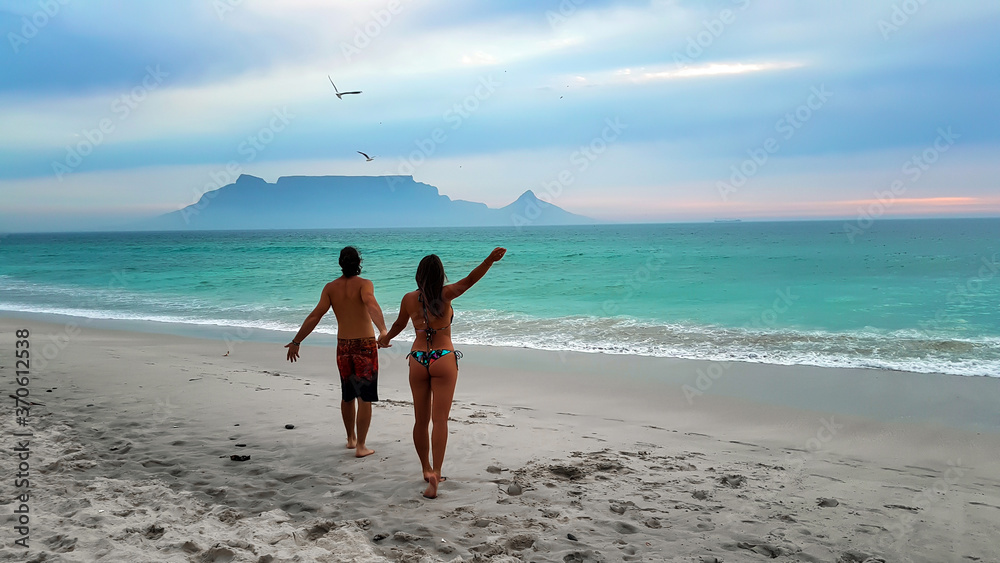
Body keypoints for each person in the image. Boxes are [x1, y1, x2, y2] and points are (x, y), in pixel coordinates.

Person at [379, 247, 506, 498]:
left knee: (420, 420)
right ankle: (436, 472)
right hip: (443, 358)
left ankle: (425, 469)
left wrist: (385, 339)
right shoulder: (446, 294)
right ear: (441, 274)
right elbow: (470, 280)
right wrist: (489, 260)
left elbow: (398, 325)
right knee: (440, 421)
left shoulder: (408, 299)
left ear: (418, 275)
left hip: (418, 358)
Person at [286, 246, 388, 458]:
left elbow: (315, 315)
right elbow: (371, 304)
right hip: (364, 346)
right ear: (359, 262)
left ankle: (350, 439)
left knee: (348, 395)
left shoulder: (330, 288)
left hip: (343, 347)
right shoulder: (365, 284)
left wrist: (297, 340)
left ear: (340, 263)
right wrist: (383, 330)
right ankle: (361, 446)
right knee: (364, 397)